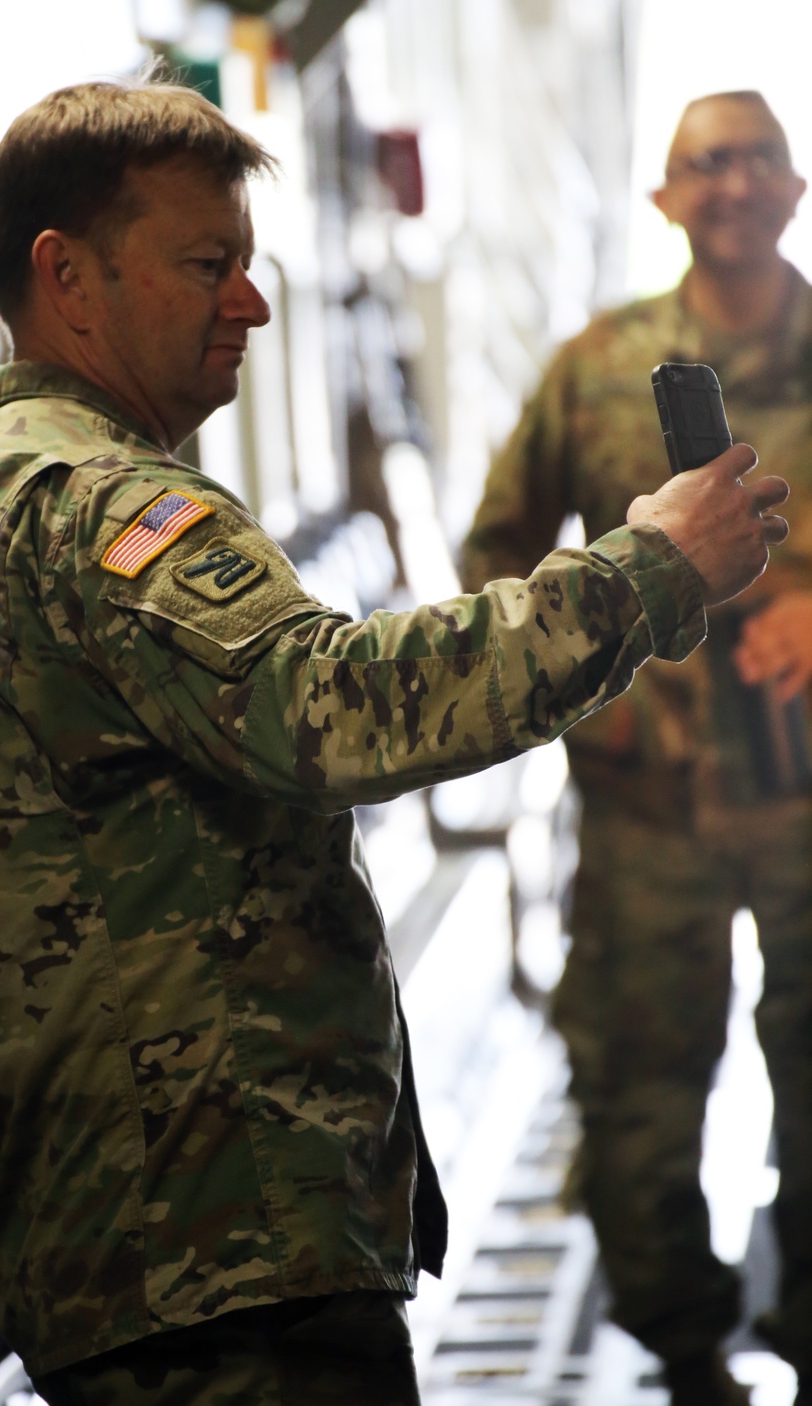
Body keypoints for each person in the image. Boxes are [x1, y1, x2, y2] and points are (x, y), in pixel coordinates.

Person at [0, 79, 786, 1406]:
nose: (251, 301)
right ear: (66, 277)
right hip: (218, 1259)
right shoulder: (94, 507)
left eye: (250, 263)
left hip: (128, 1252)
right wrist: (646, 570)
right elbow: (335, 705)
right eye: (207, 263)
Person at [461, 91, 812, 1406]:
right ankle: (682, 1348)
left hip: (810, 805)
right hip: (645, 808)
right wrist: (594, 693)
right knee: (641, 1079)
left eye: (753, 159)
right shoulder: (599, 365)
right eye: (697, 164)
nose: (727, 183)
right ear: (664, 199)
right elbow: (497, 554)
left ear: (793, 188)